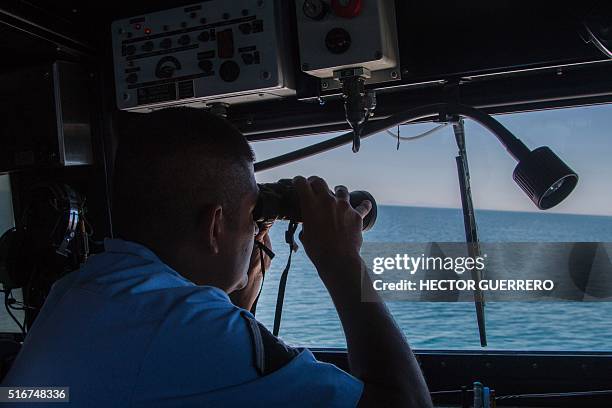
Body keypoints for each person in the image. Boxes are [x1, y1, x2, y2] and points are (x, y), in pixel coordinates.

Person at [2, 108, 432, 407]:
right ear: (214, 227)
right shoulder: (180, 323)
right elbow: (407, 405)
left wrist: (244, 274)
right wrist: (341, 259)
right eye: (250, 216)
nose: (253, 230)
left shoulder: (81, 289)